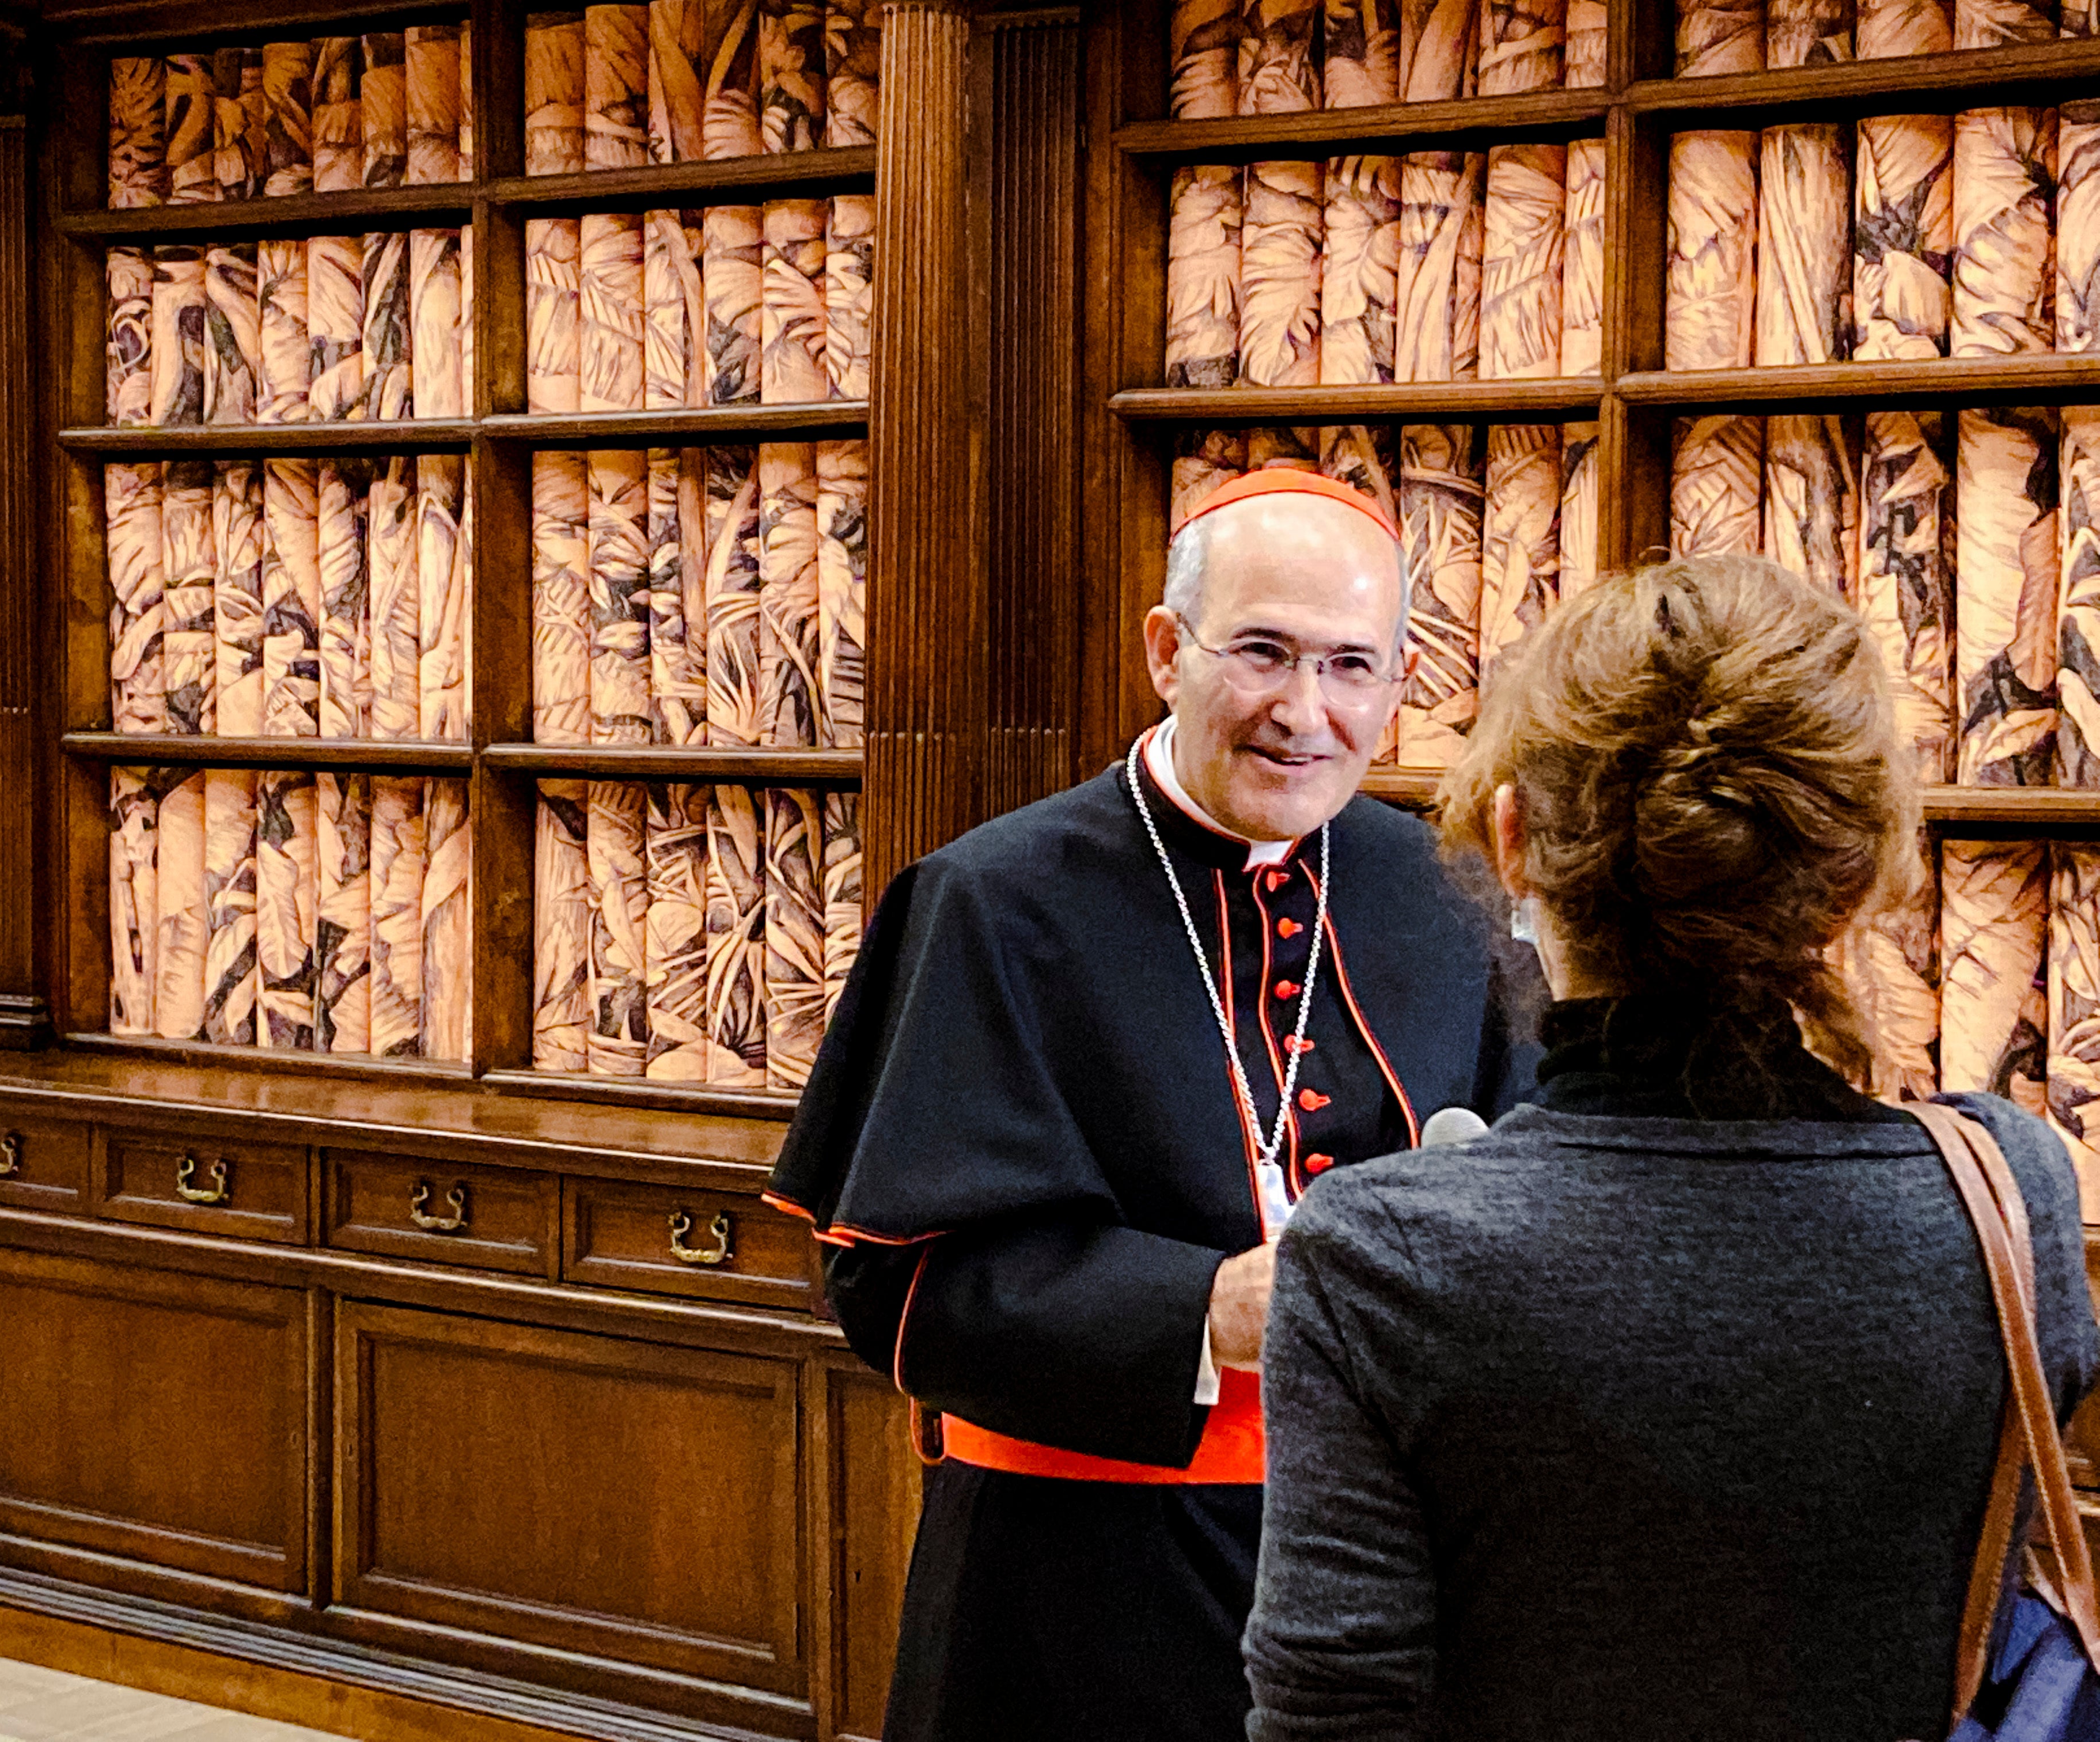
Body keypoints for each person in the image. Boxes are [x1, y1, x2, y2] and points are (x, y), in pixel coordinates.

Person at [1243, 554, 2100, 1742]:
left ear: (1513, 839)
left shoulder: (1384, 1256)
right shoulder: (2011, 1192)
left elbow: (1336, 1716)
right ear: (1855, 880)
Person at [764, 469, 1541, 1742]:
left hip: (1388, 1574)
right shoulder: (993, 901)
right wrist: (1204, 1312)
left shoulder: (1447, 898)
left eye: (1353, 666)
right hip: (1069, 1590)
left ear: (1401, 688)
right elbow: (890, 1285)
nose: (1306, 713)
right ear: (1167, 651)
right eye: (1264, 653)